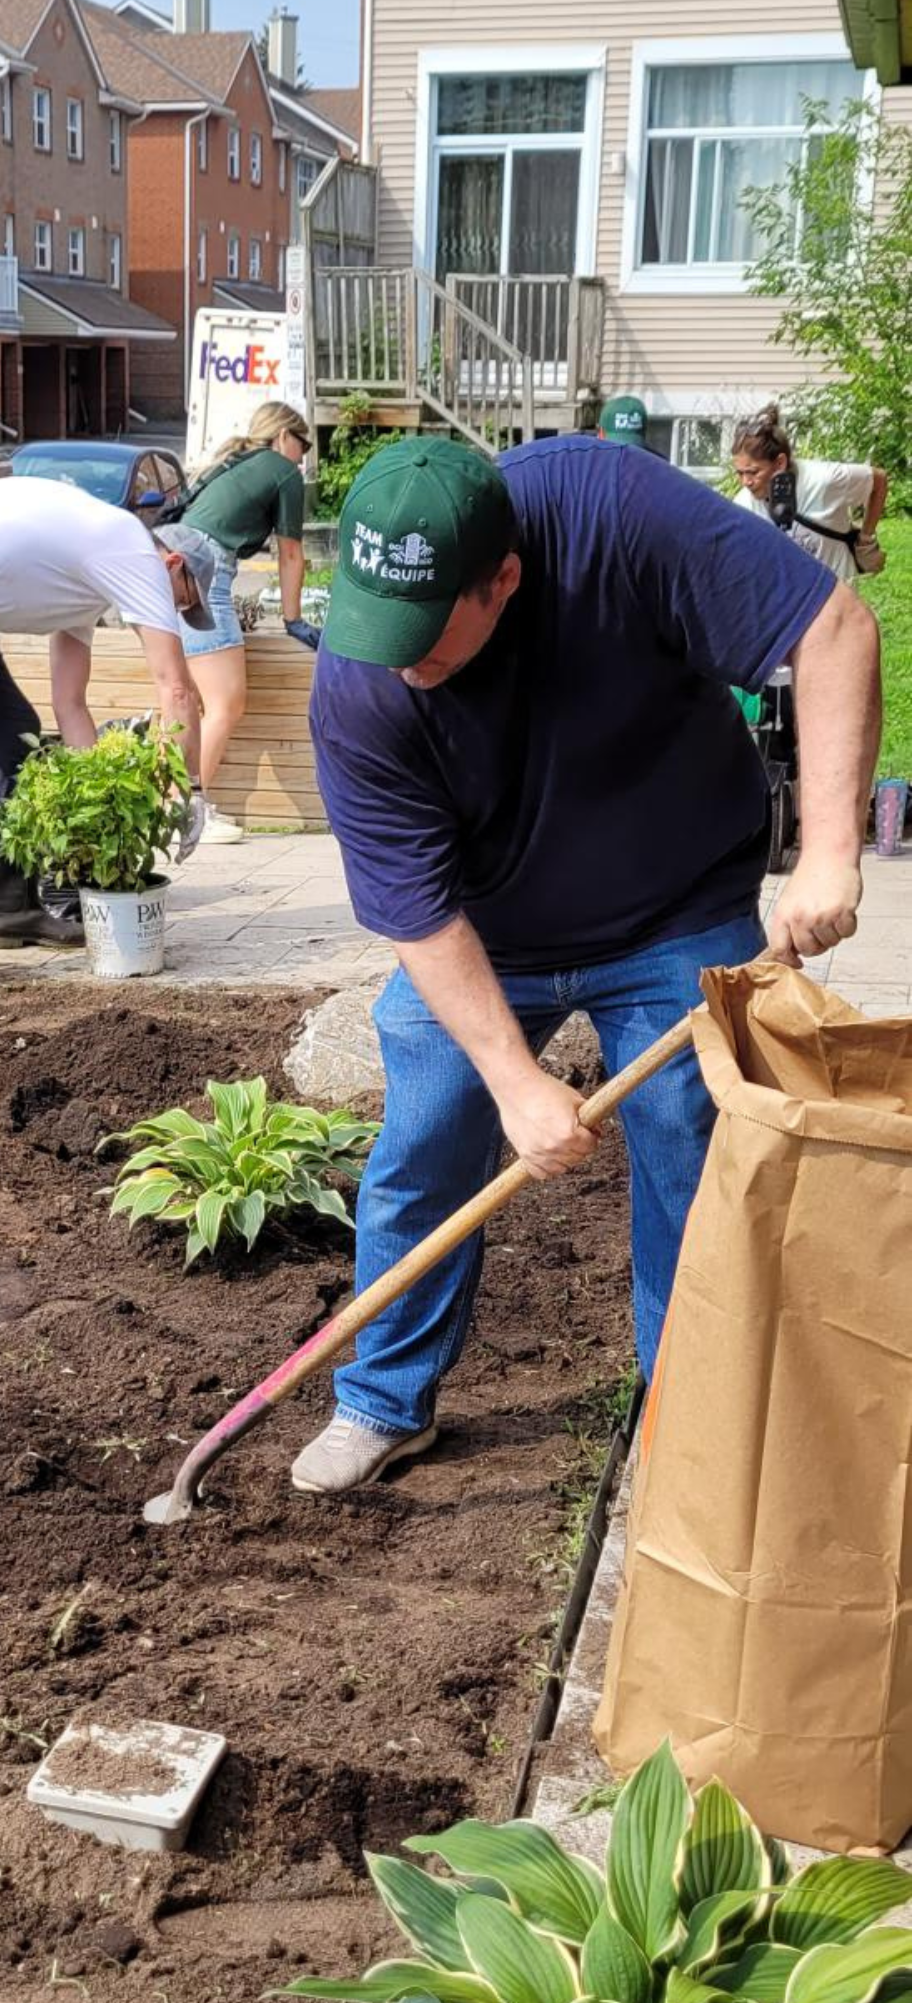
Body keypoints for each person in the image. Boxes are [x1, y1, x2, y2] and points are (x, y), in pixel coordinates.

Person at [293, 433, 880, 1496]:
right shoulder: (362, 688)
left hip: (675, 905)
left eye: (428, 634)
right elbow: (418, 918)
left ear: (504, 580)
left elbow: (832, 626)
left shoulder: (611, 511)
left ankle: (688, 1428)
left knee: (691, 1157)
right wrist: (518, 1085)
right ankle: (383, 1402)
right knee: (424, 1139)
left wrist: (831, 849)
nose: (400, 658)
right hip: (483, 935)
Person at [0, 477, 215, 1013]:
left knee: (15, 737)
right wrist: (188, 790)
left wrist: (100, 811)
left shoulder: (92, 576)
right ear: (173, 568)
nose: (171, 616)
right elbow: (177, 689)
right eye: (182, 603)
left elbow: (69, 703)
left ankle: (12, 912)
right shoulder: (133, 552)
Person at [157, 401, 318, 846]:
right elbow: (290, 554)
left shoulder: (238, 462)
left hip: (167, 560)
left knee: (184, 699)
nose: (302, 457)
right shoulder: (282, 471)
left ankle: (168, 807)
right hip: (200, 570)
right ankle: (186, 814)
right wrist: (294, 621)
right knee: (226, 701)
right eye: (302, 444)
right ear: (284, 436)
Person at [732, 404, 887, 588]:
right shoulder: (742, 505)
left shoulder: (824, 480)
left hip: (837, 595)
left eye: (753, 472)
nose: (746, 482)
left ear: (780, 463)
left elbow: (879, 480)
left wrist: (866, 538)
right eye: (740, 473)